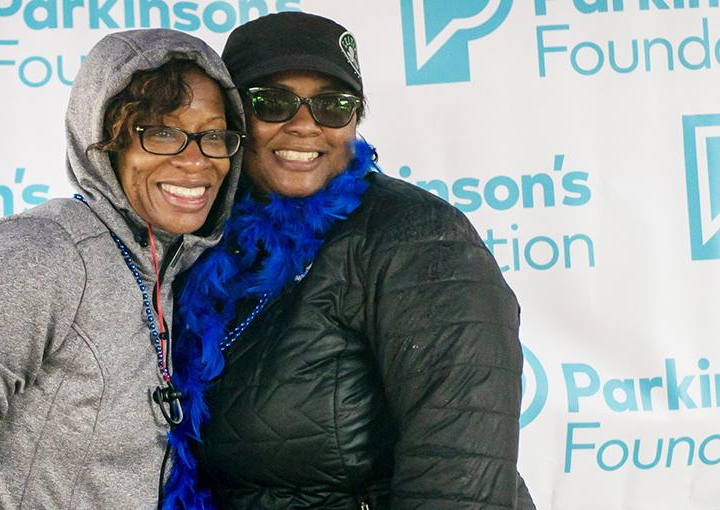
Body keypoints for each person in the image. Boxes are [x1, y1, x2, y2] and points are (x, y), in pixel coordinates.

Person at [164, 12, 536, 510]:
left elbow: (460, 470)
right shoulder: (198, 242)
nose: (303, 125)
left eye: (333, 106)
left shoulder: (418, 238)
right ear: (233, 121)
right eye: (271, 103)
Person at [0, 29, 245, 509]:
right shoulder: (39, 255)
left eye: (213, 135)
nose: (195, 161)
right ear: (104, 142)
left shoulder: (178, 267)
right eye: (162, 132)